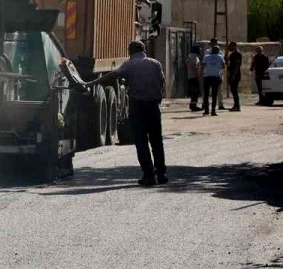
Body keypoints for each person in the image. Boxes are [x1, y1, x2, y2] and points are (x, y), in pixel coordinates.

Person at [82, 40, 167, 186]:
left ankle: (148, 175)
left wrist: (91, 83)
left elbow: (112, 75)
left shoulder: (129, 64)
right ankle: (162, 174)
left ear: (130, 51)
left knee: (141, 142)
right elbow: (162, 82)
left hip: (138, 107)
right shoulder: (155, 63)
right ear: (144, 50)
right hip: (153, 106)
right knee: (156, 141)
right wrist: (158, 97)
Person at [201, 44, 225, 116]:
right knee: (214, 94)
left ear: (211, 51)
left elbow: (203, 66)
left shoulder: (206, 56)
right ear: (218, 51)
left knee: (206, 94)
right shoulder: (220, 57)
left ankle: (206, 110)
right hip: (216, 77)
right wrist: (218, 68)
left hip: (207, 76)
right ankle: (213, 111)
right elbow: (223, 66)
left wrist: (201, 75)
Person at [226, 42, 243, 111]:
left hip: (235, 74)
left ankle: (237, 106)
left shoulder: (238, 54)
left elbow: (237, 65)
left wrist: (233, 75)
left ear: (235, 46)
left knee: (234, 90)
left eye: (232, 46)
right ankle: (235, 105)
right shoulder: (232, 54)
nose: (231, 47)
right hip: (231, 74)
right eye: (230, 46)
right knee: (233, 90)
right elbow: (227, 62)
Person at [186, 46, 203, 112]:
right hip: (194, 77)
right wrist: (198, 77)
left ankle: (192, 105)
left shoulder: (189, 56)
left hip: (190, 76)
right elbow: (196, 67)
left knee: (193, 92)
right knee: (195, 92)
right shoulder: (196, 57)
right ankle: (194, 106)